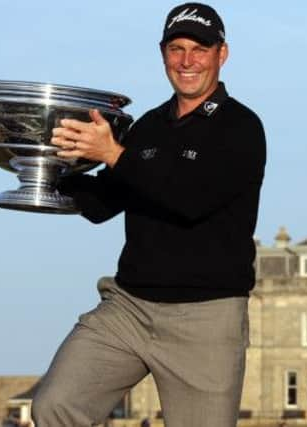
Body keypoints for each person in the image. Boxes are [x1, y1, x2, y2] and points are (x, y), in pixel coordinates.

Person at [31, 3, 266, 426]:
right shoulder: (149, 127)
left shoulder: (242, 128)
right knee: (55, 405)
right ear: (163, 55)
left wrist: (113, 153)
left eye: (199, 48)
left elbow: (189, 199)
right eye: (176, 49)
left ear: (222, 54)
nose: (187, 60)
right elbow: (105, 203)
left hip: (205, 319)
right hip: (128, 309)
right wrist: (47, 168)